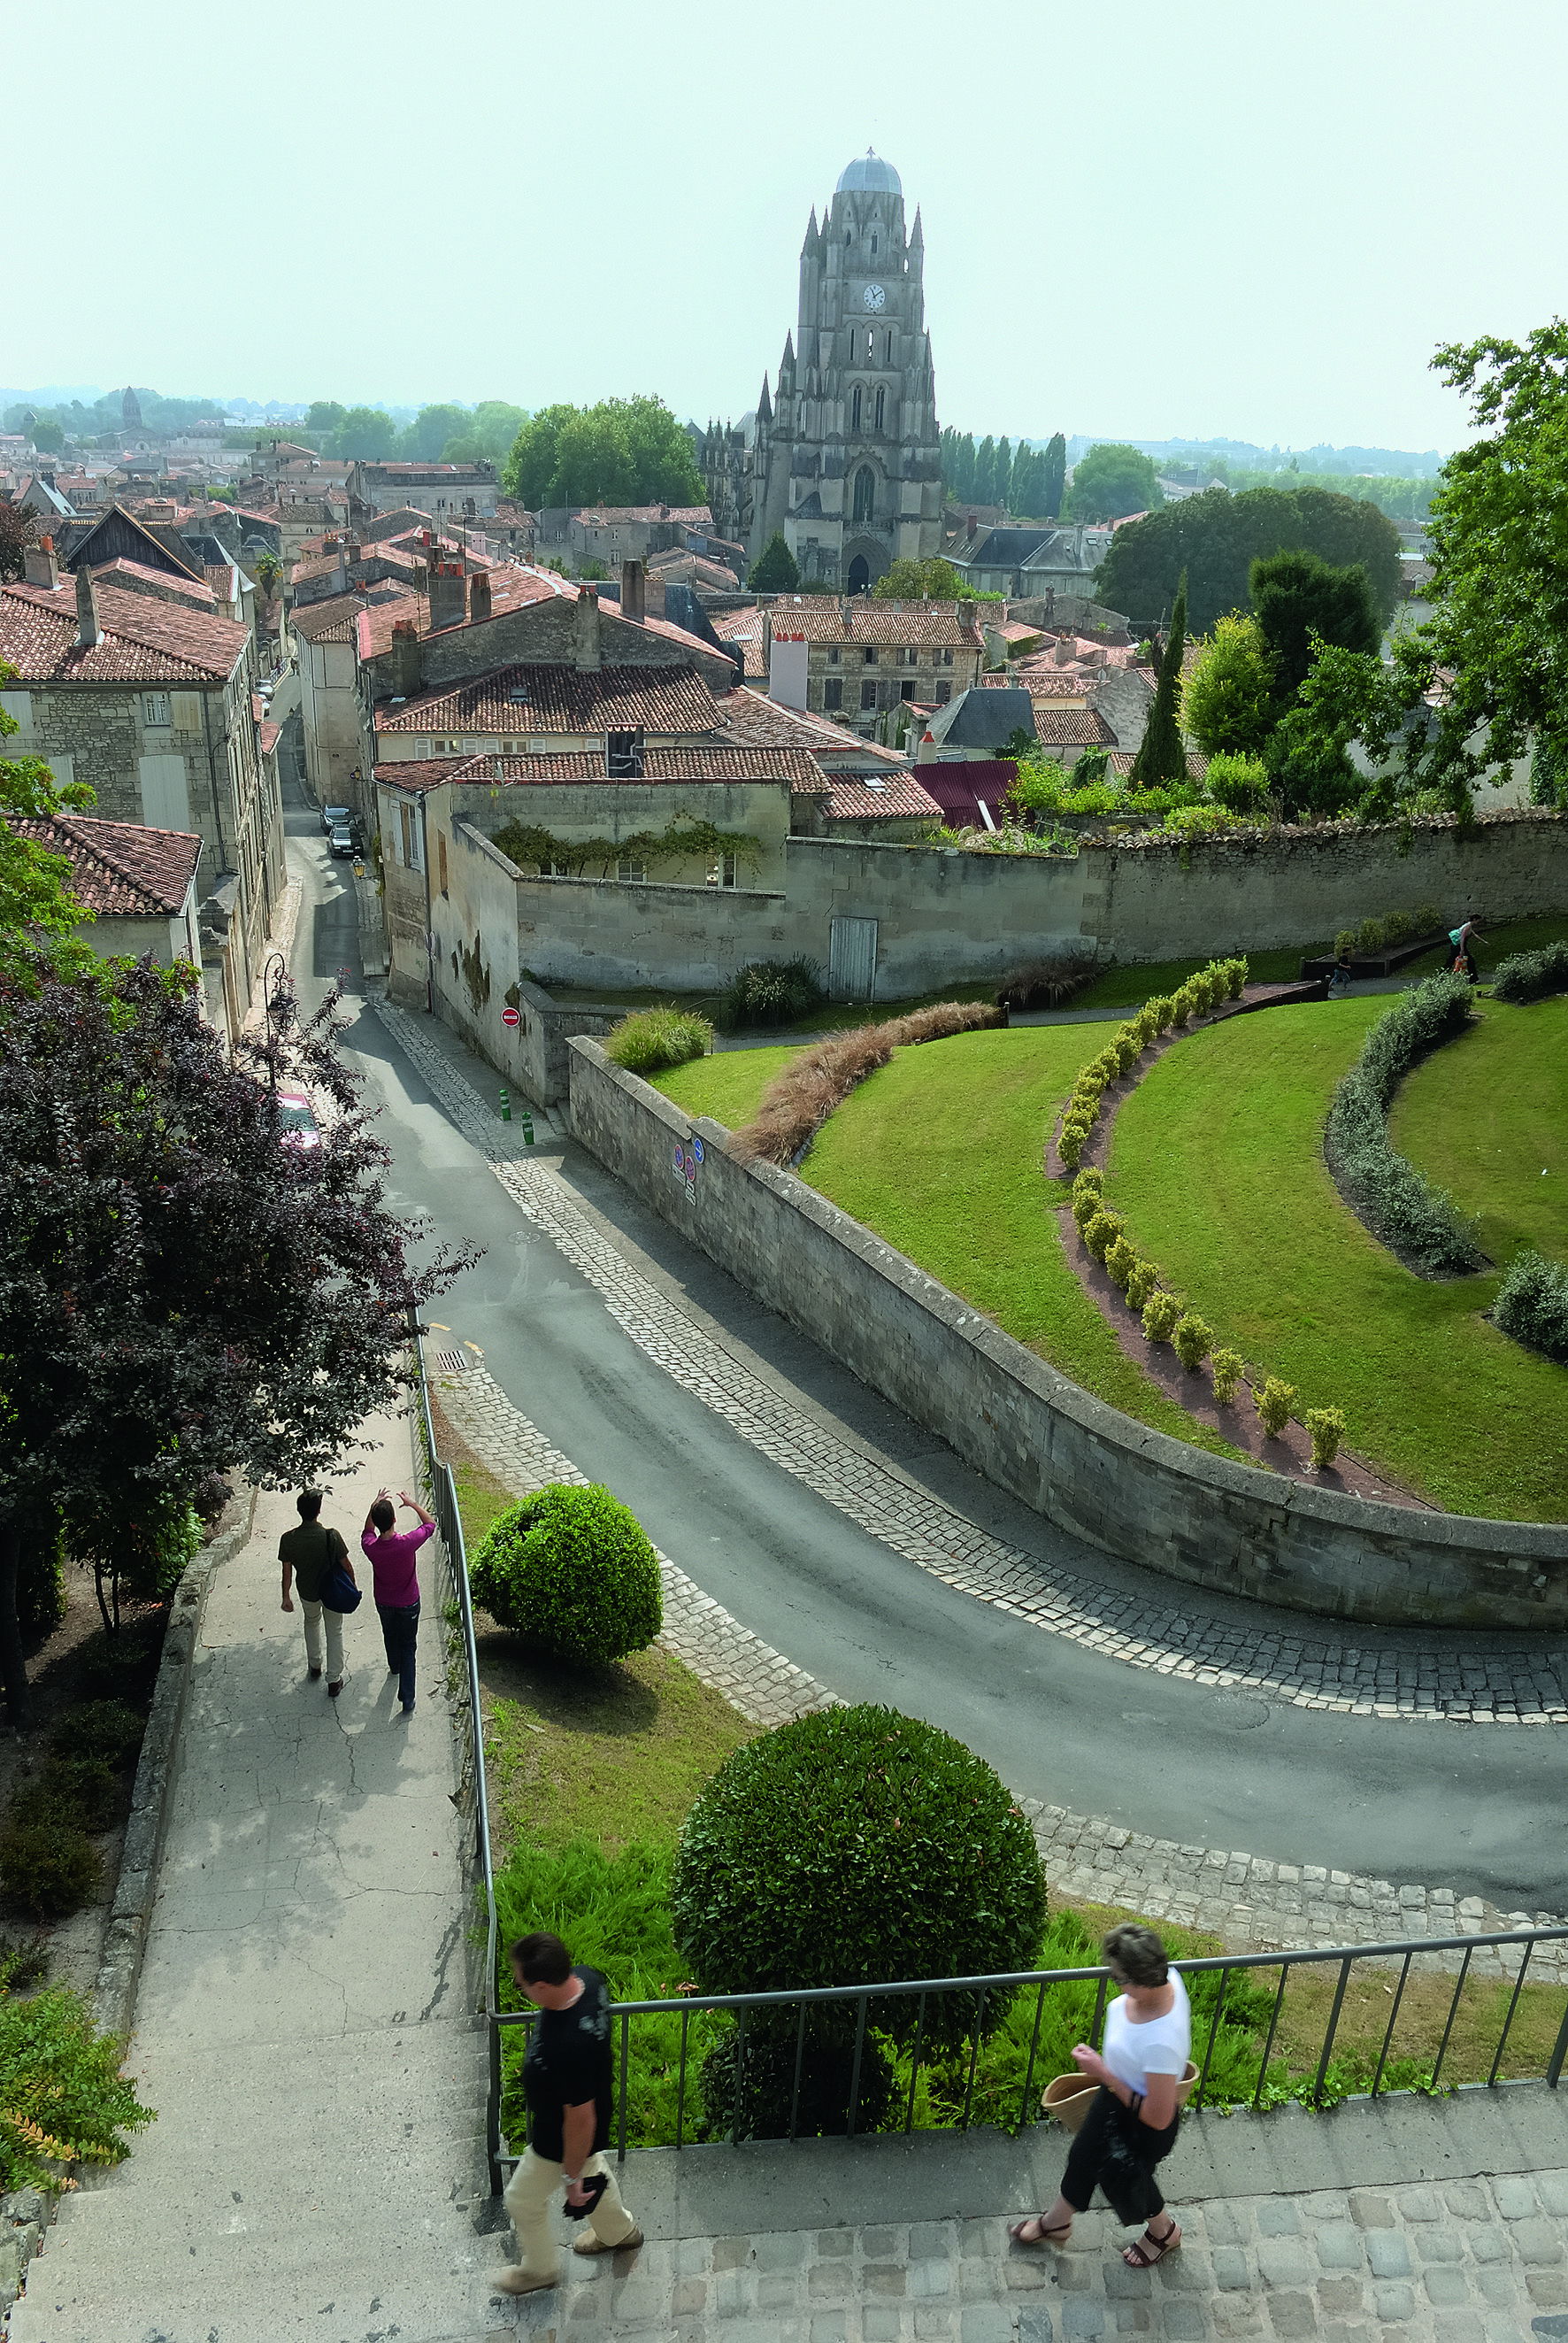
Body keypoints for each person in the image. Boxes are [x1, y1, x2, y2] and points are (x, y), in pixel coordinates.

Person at [1011, 1923, 1191, 2270]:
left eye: (1118, 1977)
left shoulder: (1160, 2041)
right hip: (1116, 2100)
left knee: (1125, 2177)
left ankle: (1164, 2232)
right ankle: (1056, 2223)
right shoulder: (1169, 1977)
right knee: (1082, 2155)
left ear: (1138, 1980)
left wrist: (1104, 2073)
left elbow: (1158, 2117)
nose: (1114, 1981)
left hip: (1140, 2123)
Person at [495, 1931, 642, 2296]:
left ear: (543, 1985)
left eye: (521, 1984)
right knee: (593, 2171)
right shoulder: (588, 1980)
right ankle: (620, 2232)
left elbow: (580, 2119)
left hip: (556, 2140)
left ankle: (541, 2269)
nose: (520, 1988)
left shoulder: (569, 2049)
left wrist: (569, 2175)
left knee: (521, 2199)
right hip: (584, 2125)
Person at [359, 1485, 434, 1715]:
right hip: (409, 1602)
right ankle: (408, 1698)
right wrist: (411, 1503)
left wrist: (374, 1505)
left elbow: (367, 1531)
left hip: (384, 1601)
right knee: (409, 1646)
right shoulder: (407, 1543)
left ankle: (394, 1666)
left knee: (389, 1635)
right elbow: (429, 1524)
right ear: (394, 1519)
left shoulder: (371, 1547)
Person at [279, 1490, 355, 1697]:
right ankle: (333, 1679)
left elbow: (287, 1572)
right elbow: (347, 1566)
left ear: (299, 1511)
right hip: (333, 1592)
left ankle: (314, 1665)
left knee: (311, 1622)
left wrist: (286, 1597)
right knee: (335, 1631)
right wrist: (352, 1587)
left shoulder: (288, 1539)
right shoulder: (331, 1536)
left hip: (307, 1591)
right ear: (318, 1511)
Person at [1449, 916, 1483, 981]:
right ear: (1475, 919)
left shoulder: (1469, 926)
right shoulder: (1467, 927)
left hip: (1457, 946)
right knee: (1470, 961)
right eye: (1478, 921)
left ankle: (1473, 979)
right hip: (1458, 946)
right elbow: (1462, 938)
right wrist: (1462, 949)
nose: (1479, 922)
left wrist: (1484, 941)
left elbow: (1475, 935)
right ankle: (1473, 979)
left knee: (1451, 961)